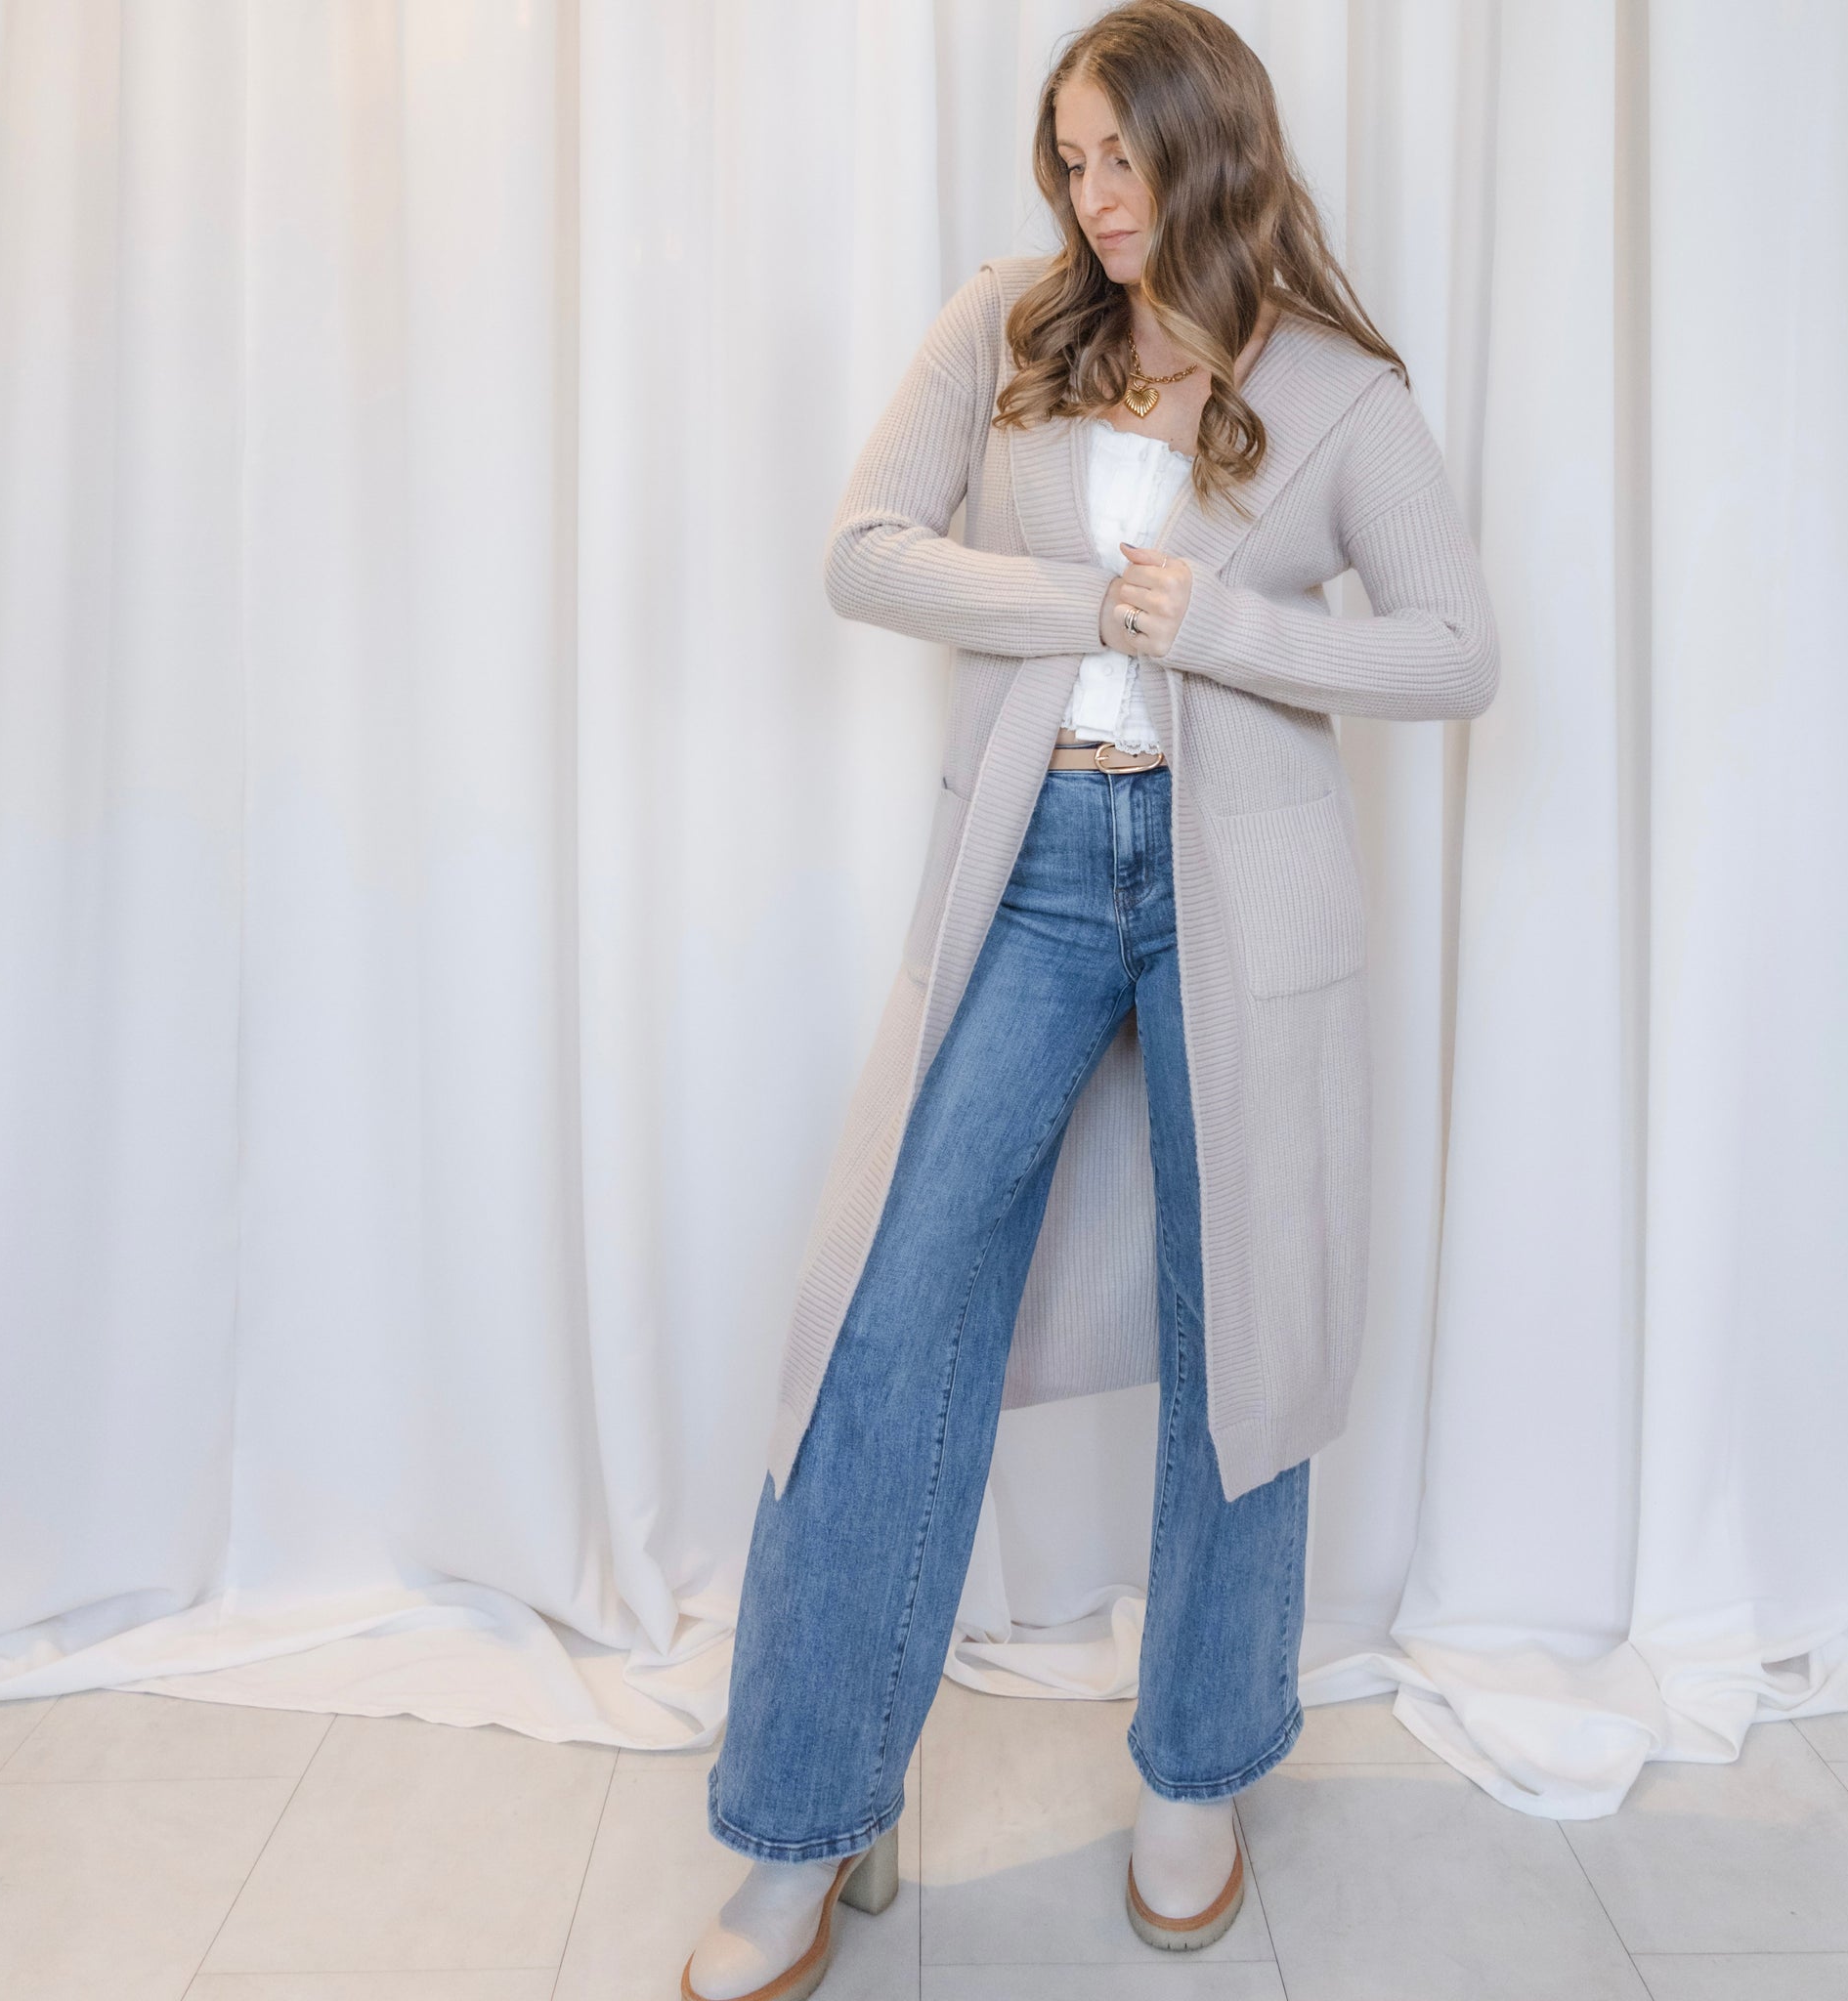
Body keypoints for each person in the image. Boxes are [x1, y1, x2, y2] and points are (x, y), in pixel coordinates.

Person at [682, 3, 1499, 1994]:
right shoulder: (1009, 324)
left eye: (1122, 161)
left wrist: (1216, 623)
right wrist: (1084, 605)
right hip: (1033, 867)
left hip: (1248, 892)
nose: (1092, 200)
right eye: (1067, 159)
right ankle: (806, 1812)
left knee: (1247, 1333)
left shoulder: (1329, 386)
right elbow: (864, 556)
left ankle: (1197, 1764)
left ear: (1213, 152)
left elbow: (1458, 649)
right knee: (886, 1315)